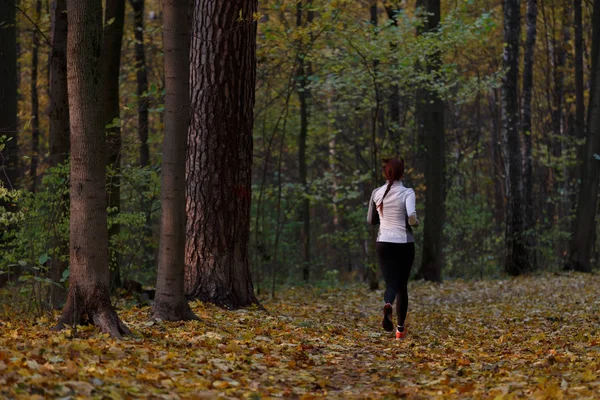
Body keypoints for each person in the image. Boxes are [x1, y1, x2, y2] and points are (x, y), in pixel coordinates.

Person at [367, 158, 419, 339]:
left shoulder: (376, 193)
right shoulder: (407, 192)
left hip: (383, 243)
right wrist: (415, 222)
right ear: (402, 173)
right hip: (404, 243)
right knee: (402, 286)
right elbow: (412, 216)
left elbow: (371, 220)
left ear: (386, 173)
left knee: (390, 284)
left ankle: (388, 303)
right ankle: (400, 329)